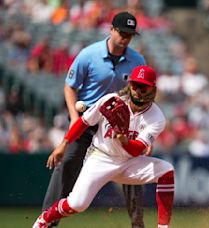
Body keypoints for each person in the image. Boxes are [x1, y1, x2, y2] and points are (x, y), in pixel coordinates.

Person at [33, 66, 174, 228]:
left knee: (166, 171)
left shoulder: (157, 118)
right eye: (134, 85)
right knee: (77, 204)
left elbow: (136, 150)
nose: (137, 90)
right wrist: (64, 143)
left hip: (129, 162)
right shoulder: (111, 101)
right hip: (100, 157)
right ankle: (45, 218)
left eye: (143, 86)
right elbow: (83, 122)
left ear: (152, 89)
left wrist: (122, 137)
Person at [41, 11, 147, 228]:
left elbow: (141, 96)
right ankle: (46, 221)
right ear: (111, 30)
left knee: (134, 169)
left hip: (118, 125)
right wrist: (73, 118)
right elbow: (70, 86)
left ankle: (138, 224)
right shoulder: (88, 55)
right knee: (67, 164)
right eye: (122, 32)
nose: (126, 37)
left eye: (130, 34)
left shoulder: (137, 60)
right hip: (88, 120)